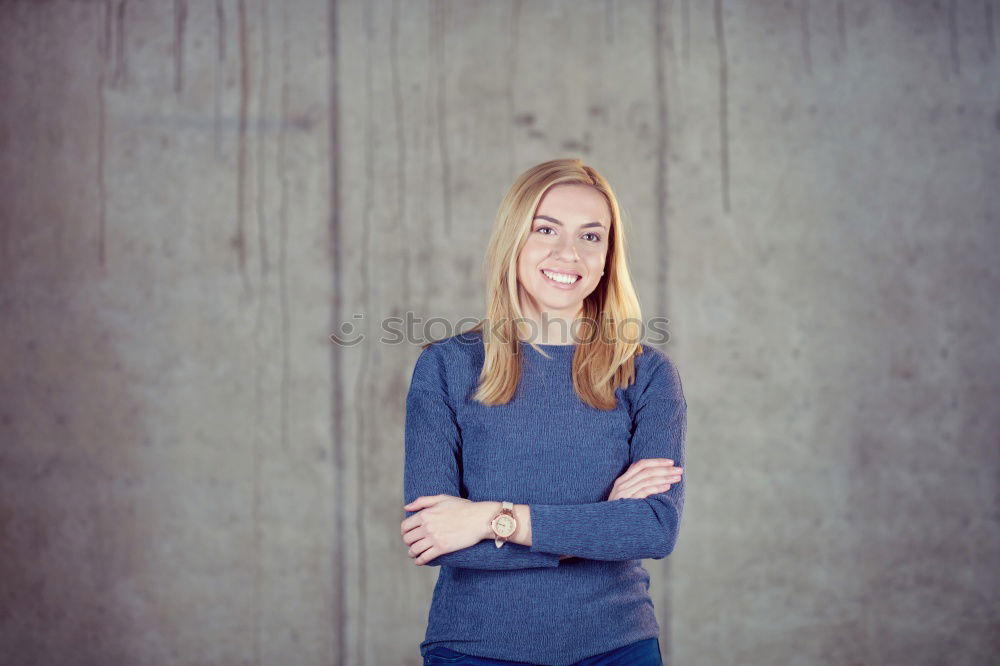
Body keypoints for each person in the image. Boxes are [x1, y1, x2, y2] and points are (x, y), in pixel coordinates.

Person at [400, 158, 687, 666]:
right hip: (476, 650)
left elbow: (651, 530)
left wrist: (492, 518)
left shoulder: (648, 373)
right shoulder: (445, 368)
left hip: (617, 648)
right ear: (514, 241)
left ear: (607, 257)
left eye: (591, 236)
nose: (567, 253)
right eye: (546, 229)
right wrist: (601, 526)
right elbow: (437, 538)